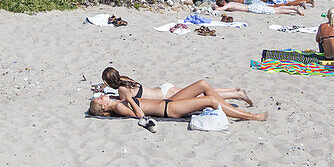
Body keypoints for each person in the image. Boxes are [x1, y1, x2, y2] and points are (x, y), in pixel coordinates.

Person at [88, 79, 267, 125]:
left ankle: (228, 106)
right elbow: (140, 116)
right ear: (104, 107)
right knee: (210, 101)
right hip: (170, 109)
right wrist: (129, 100)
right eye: (99, 98)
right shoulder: (119, 107)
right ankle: (251, 116)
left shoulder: (119, 100)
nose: (101, 95)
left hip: (168, 101)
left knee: (202, 84)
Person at [100, 67, 252, 105]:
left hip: (168, 97)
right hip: (164, 88)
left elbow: (127, 101)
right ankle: (232, 90)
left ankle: (237, 95)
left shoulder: (122, 89)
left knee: (200, 95)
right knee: (199, 93)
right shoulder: (125, 79)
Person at [216, 0, 303, 15]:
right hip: (253, 6)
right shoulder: (231, 3)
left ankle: (294, 8)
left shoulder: (229, 5)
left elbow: (220, 9)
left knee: (275, 11)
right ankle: (293, 9)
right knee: (274, 9)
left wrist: (215, 7)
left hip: (253, 8)